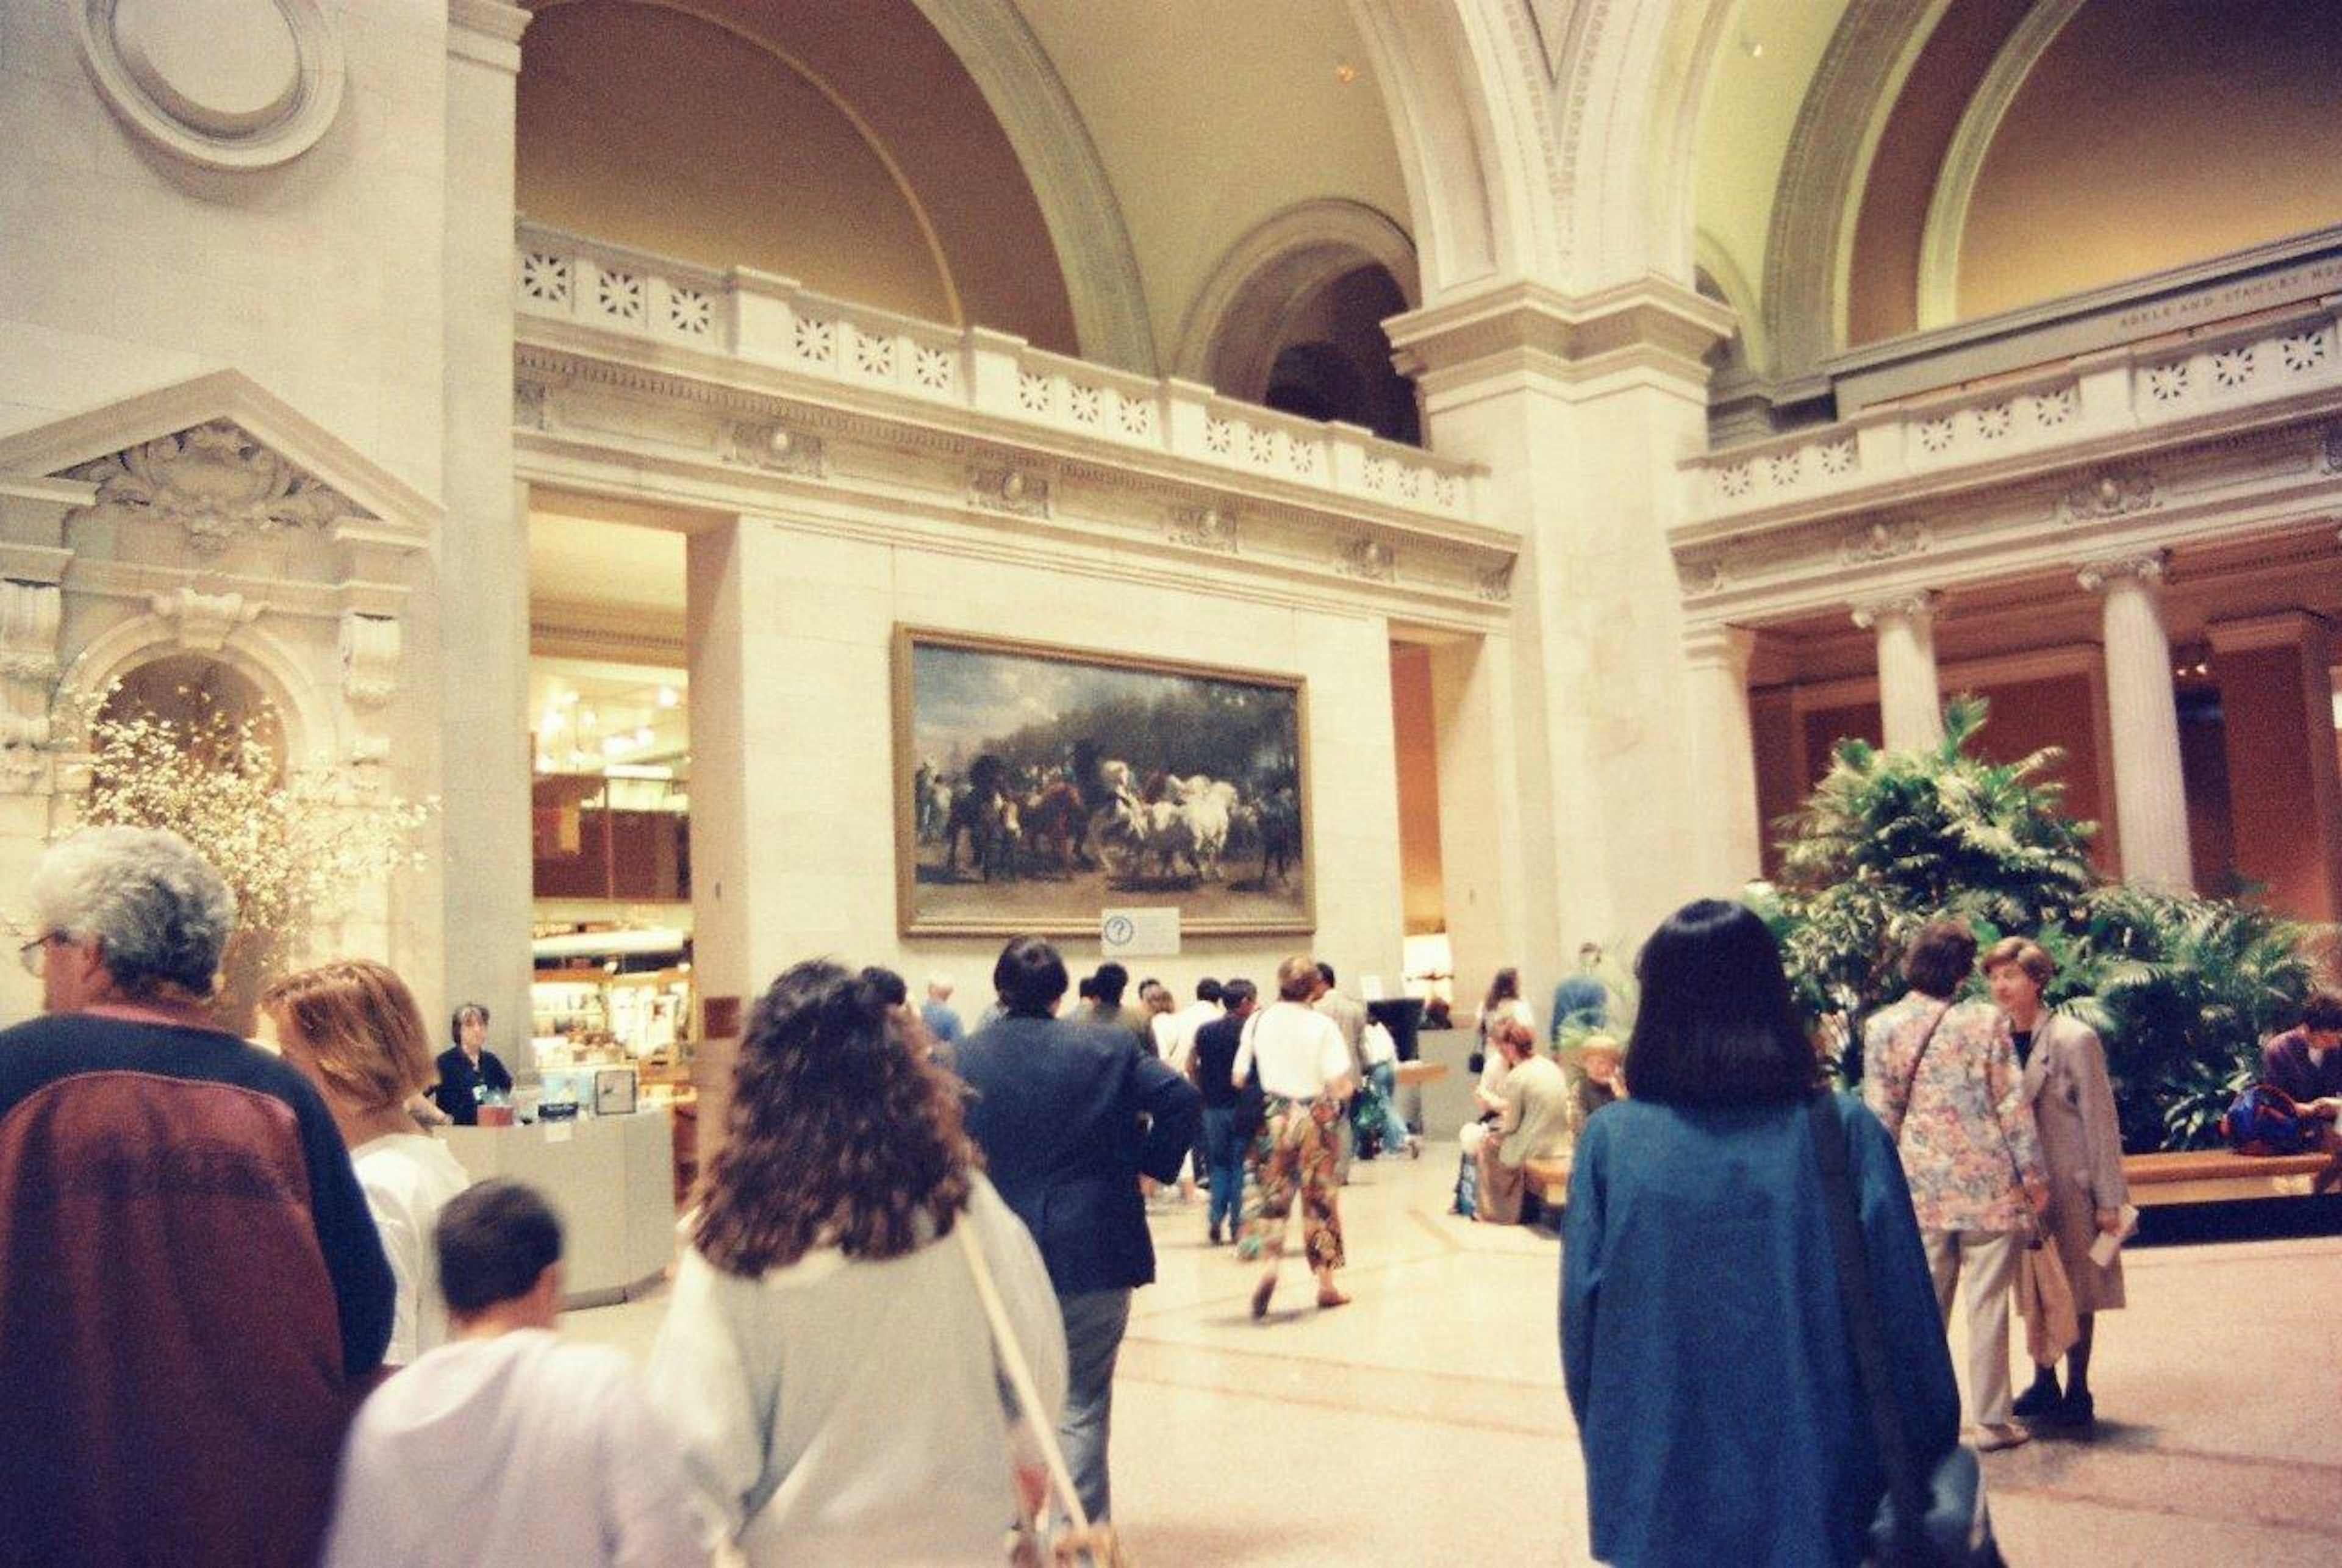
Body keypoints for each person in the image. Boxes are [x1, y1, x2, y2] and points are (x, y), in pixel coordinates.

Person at [0, 826, 394, 1568]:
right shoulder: (279, 1097)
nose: (39, 971)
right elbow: (364, 1319)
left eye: (44, 946)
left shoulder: (13, 1077)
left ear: (89, 952)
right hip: (248, 1517)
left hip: (43, 1514)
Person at [1564, 899, 1960, 1567]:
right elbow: (1909, 1330)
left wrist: (1623, 1468)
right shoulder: (1842, 1133)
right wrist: (1916, 1464)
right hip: (1823, 1495)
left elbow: (1585, 1339)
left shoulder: (1612, 1147)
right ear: (1773, 999)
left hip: (1663, 1498)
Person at [653, 961, 1069, 1564]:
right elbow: (1035, 1366)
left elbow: (691, 1453)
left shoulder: (733, 1240)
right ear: (897, 1075)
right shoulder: (958, 1205)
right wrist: (1026, 1459)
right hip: (957, 1544)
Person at [323, 1180, 706, 1568]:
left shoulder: (386, 1417)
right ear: (550, 1282)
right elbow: (667, 1551)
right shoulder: (600, 1388)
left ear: (448, 1300)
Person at [954, 936, 1198, 1525]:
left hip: (991, 1255)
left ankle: (1009, 1539)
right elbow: (1182, 1100)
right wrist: (1149, 1163)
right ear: (1063, 994)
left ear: (998, 989)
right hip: (1094, 1245)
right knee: (1082, 1403)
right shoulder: (1108, 1048)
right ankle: (1079, 1545)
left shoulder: (956, 1059)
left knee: (1001, 1401)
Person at [1864, 918, 2047, 1452]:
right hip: (1990, 1186)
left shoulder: (1883, 1027)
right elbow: (2011, 1105)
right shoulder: (1985, 1023)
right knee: (1987, 1304)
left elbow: (1880, 1115)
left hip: (1919, 1189)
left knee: (1923, 1310)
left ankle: (1918, 1422)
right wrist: (2034, 1177)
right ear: (1963, 971)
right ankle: (1992, 1421)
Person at [263, 959, 474, 1367]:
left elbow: (383, 1371)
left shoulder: (372, 1192)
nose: (280, 1079)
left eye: (290, 1060)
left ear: (345, 1063)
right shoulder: (429, 1159)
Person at [1987, 937, 2130, 1433]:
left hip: (2073, 1183)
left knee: (2079, 1285)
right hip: (2025, 1186)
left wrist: (2110, 1199)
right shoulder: (1997, 1040)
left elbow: (2101, 1121)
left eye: (2011, 976)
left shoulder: (2073, 1038)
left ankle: (2078, 1386)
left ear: (2038, 980)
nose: (2000, 986)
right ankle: (2043, 1378)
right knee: (2034, 1285)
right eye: (1994, 976)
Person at [1235, 955, 1357, 1317]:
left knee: (1270, 1195)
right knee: (1320, 1202)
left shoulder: (1257, 1020)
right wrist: (1346, 1090)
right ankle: (1326, 1285)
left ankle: (1270, 1264)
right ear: (1316, 987)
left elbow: (1239, 1077)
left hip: (1273, 1116)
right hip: (1315, 1118)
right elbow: (1337, 1084)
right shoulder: (1322, 1026)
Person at [1474, 1008, 1571, 1225]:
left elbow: (1511, 1126)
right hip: (1560, 1143)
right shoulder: (1550, 1066)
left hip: (1536, 1146)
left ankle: (1498, 1210)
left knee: (1486, 1145)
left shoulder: (1517, 1076)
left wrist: (1493, 1105)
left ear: (1509, 1047)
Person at [1191, 978, 1259, 1245]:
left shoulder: (1205, 1031)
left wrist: (1202, 1089)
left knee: (1218, 1164)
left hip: (1212, 1108)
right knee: (1240, 1165)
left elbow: (1191, 1064)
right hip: (1243, 1108)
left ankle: (1216, 1216)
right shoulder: (1249, 1032)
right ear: (1244, 1003)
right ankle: (1236, 1224)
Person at [2260, 990, 2342, 1178]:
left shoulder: (2337, 1050)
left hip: (2334, 1127)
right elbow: (2275, 1102)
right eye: (2328, 1037)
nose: (2335, 1043)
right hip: (2296, 1130)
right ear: (2307, 1028)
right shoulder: (2280, 1050)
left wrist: (2336, 1106)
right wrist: (2306, 1109)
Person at [432, 1001, 513, 1125]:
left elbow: (506, 1090)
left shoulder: (491, 1061)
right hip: (457, 1133)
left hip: (488, 1132)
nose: (477, 1029)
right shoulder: (444, 1062)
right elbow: (416, 1097)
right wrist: (441, 1117)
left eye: (481, 1024)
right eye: (470, 1025)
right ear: (458, 1030)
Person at [1552, 940, 1610, 1041]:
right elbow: (1597, 1027)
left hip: (1563, 1044)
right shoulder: (1597, 987)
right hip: (1585, 1047)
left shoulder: (1563, 984)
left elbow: (1557, 1021)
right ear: (1597, 962)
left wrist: (1555, 1049)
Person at [920, 973, 965, 1047]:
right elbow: (959, 1047)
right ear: (950, 993)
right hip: (939, 1057)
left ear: (929, 989)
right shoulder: (952, 1017)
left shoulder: (915, 1013)